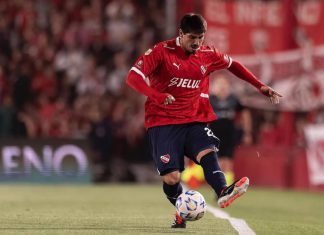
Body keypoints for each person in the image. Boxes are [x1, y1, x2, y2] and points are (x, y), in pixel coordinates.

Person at [126, 13, 282, 228]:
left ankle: (223, 191)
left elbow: (233, 64)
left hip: (193, 120)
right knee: (172, 178)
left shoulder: (208, 54)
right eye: (192, 37)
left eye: (201, 37)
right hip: (162, 122)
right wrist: (156, 95)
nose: (197, 43)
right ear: (181, 34)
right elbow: (133, 76)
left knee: (208, 151)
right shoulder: (162, 51)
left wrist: (260, 86)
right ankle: (181, 211)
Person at [209, 75, 253, 185]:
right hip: (214, 133)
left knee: (228, 161)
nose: (222, 87)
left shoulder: (234, 99)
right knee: (217, 161)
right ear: (214, 86)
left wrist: (247, 132)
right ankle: (219, 185)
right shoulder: (210, 99)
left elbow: (245, 113)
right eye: (219, 84)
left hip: (229, 133)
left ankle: (226, 186)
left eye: (224, 84)